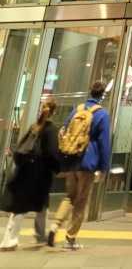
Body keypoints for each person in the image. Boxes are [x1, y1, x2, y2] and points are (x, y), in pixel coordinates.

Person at [48, 81, 111, 251]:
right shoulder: (102, 114)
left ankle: (55, 225)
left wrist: (63, 164)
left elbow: (65, 134)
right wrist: (104, 167)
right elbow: (104, 143)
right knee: (81, 201)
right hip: (88, 164)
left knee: (70, 196)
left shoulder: (76, 110)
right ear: (102, 95)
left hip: (71, 161)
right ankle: (69, 240)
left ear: (89, 92)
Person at [0, 99, 60, 249]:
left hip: (25, 170)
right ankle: (10, 240)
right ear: (54, 112)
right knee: (24, 205)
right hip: (40, 174)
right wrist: (58, 169)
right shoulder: (51, 130)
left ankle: (38, 234)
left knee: (39, 203)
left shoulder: (34, 127)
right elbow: (51, 153)